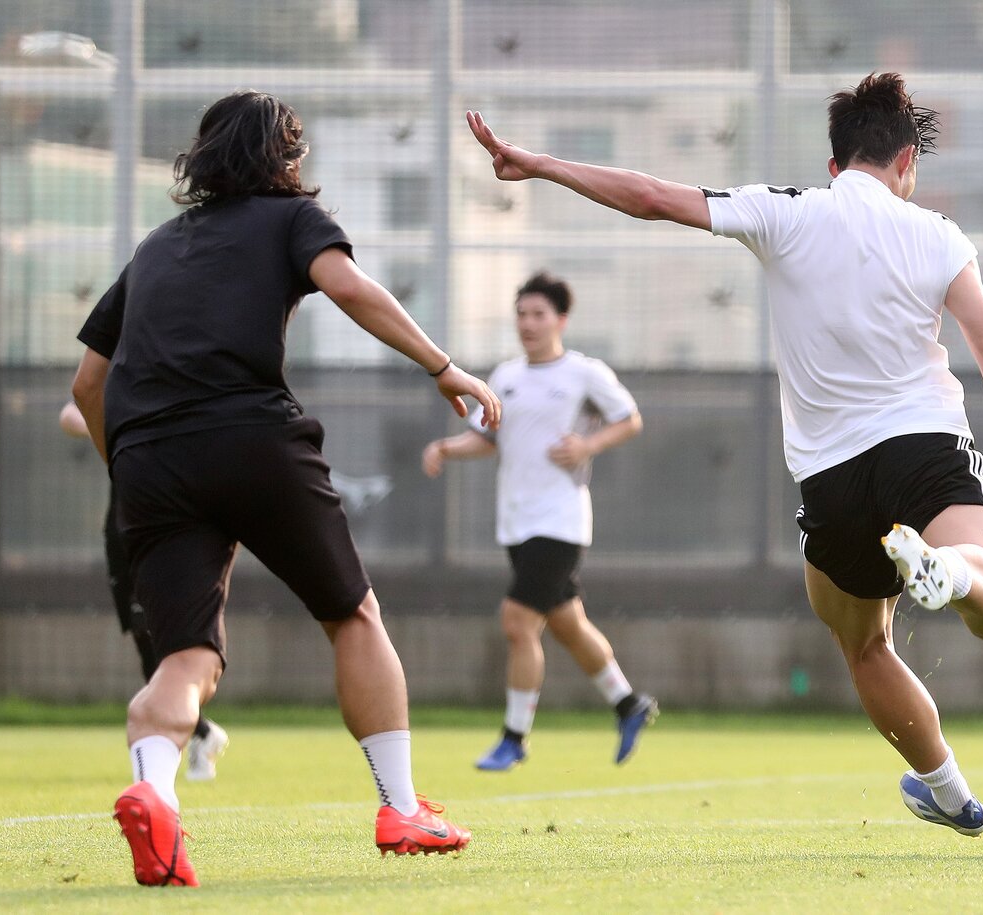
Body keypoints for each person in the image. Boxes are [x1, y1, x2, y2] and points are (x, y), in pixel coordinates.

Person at [465, 71, 983, 837]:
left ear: (834, 166)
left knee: (866, 646)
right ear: (905, 166)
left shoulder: (785, 211)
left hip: (830, 478)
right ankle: (953, 569)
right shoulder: (938, 236)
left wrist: (541, 164)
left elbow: (653, 195)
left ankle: (951, 793)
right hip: (923, 451)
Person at [72, 91, 500, 886]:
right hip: (251, 438)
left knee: (187, 656)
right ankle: (403, 806)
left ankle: (154, 790)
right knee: (351, 612)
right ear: (286, 160)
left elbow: (89, 378)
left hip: (148, 462)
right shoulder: (290, 218)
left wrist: (124, 467)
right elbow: (348, 286)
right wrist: (445, 366)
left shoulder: (155, 249)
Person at [421, 272, 657, 771]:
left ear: (561, 320)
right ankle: (627, 703)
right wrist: (445, 447)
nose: (528, 324)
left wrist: (587, 445)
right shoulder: (505, 377)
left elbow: (630, 418)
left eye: (538, 314)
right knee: (568, 624)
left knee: (517, 621)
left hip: (561, 520)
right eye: (522, 314)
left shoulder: (583, 373)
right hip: (516, 522)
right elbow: (486, 439)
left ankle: (514, 737)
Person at [59, 401, 230, 781]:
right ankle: (199, 732)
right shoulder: (122, 372)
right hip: (124, 521)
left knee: (172, 636)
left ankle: (181, 737)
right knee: (143, 637)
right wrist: (110, 422)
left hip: (172, 517)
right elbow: (73, 411)